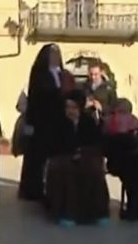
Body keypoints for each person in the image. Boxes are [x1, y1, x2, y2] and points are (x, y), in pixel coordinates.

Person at [45, 90, 110, 227]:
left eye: (73, 107)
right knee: (68, 173)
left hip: (86, 156)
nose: (70, 111)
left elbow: (95, 142)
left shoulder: (88, 122)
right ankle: (69, 213)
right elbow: (52, 146)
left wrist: (84, 152)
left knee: (95, 172)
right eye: (67, 107)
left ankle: (99, 213)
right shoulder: (58, 123)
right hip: (64, 157)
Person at [19, 43, 75, 201]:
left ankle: (55, 188)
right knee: (38, 157)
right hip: (43, 120)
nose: (56, 57)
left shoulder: (64, 74)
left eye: (58, 54)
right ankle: (33, 190)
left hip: (60, 122)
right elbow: (38, 96)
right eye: (52, 54)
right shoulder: (39, 73)